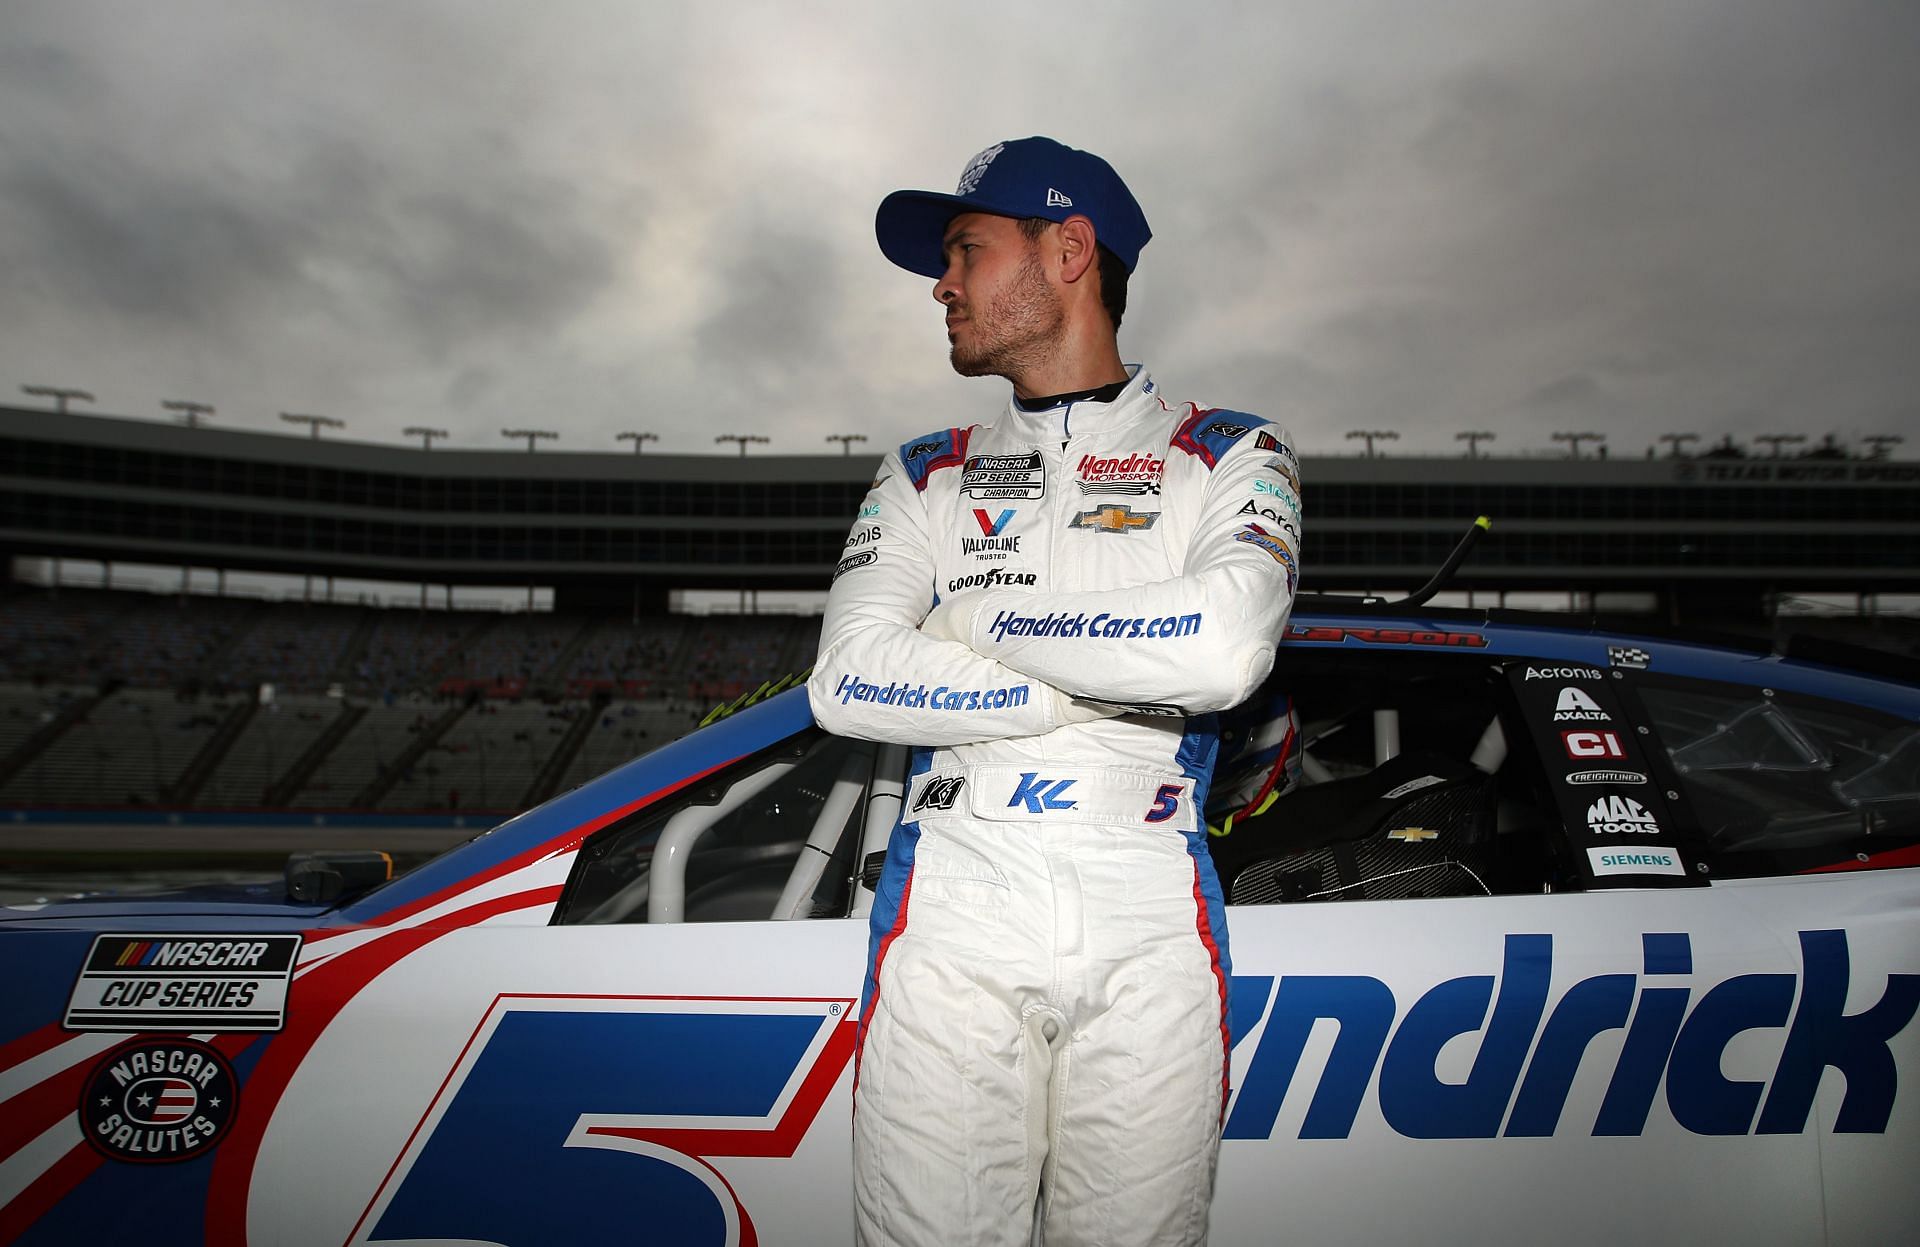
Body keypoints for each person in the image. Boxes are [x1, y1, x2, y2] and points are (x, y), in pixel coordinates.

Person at [808, 136, 1302, 1247]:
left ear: (1069, 250)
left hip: (1148, 904)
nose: (942, 284)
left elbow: (1223, 654)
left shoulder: (1228, 453)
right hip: (954, 906)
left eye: (966, 250)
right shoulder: (925, 468)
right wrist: (1109, 682)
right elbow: (847, 680)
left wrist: (977, 619)